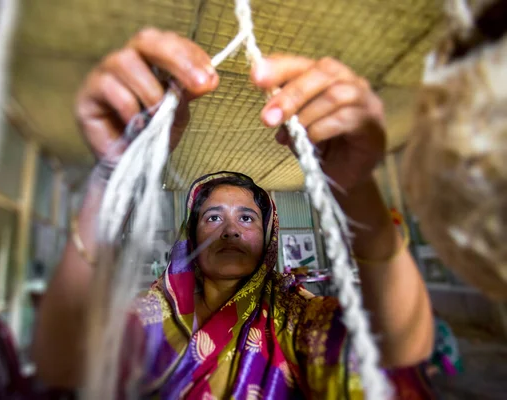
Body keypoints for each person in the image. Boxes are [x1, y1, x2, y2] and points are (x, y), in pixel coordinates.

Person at [32, 28, 434, 398]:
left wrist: (357, 188)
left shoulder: (294, 318)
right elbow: (63, 366)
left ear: (268, 234)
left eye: (246, 218)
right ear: (190, 235)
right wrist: (111, 177)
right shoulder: (151, 315)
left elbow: (395, 354)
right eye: (212, 217)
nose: (229, 230)